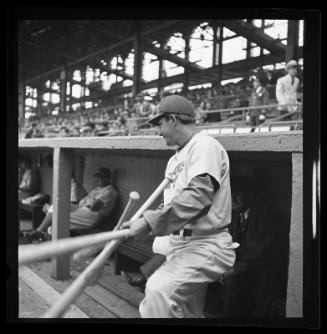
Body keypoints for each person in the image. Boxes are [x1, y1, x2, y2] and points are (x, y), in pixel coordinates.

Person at [122, 95, 237, 318]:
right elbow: (172, 204)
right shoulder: (175, 158)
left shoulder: (204, 145)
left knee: (157, 293)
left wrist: (148, 222)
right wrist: (140, 224)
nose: (158, 131)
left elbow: (199, 198)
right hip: (179, 243)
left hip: (206, 243)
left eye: (160, 123)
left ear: (173, 120)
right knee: (189, 312)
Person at [219, 175, 288, 318]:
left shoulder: (265, 216)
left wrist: (235, 269)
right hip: (246, 266)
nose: (233, 201)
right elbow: (230, 243)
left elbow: (262, 251)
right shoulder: (237, 215)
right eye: (230, 197)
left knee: (233, 282)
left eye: (237, 196)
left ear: (249, 196)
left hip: (263, 271)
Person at [24, 167, 118, 241]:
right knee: (55, 206)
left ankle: (43, 237)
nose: (98, 180)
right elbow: (83, 202)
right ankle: (40, 231)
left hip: (92, 216)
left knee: (58, 220)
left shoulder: (110, 191)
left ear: (107, 178)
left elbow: (94, 206)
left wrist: (86, 202)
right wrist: (86, 202)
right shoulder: (97, 189)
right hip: (82, 209)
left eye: (101, 178)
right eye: (98, 178)